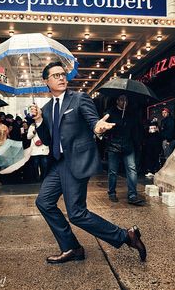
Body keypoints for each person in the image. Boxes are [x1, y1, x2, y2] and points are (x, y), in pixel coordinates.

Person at [32, 61, 146, 264]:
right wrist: (40, 120)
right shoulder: (47, 109)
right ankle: (72, 247)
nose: (61, 78)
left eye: (63, 74)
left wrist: (98, 127)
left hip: (76, 161)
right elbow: (49, 140)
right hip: (58, 164)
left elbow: (93, 120)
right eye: (56, 75)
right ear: (46, 81)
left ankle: (125, 236)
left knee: (76, 213)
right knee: (44, 202)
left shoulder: (79, 98)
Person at [105, 95, 145, 205]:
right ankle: (112, 192)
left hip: (128, 145)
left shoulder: (131, 114)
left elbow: (135, 130)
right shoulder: (111, 112)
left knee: (132, 169)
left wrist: (138, 144)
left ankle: (132, 195)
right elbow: (105, 127)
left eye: (126, 100)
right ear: (117, 101)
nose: (124, 102)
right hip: (113, 145)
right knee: (113, 171)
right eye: (122, 99)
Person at [26, 116, 49, 182]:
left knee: (44, 163)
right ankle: (37, 177)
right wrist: (33, 132)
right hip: (35, 149)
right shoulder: (32, 126)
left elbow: (48, 134)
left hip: (43, 147)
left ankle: (44, 177)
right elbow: (28, 137)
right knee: (35, 164)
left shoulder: (45, 125)